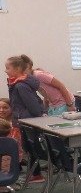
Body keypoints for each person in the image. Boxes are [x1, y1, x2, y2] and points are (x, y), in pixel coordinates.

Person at [5, 55, 44, 183]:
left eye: (8, 68)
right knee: (28, 148)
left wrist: (21, 116)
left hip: (27, 122)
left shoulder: (20, 86)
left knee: (31, 147)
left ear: (17, 69)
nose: (5, 70)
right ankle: (34, 173)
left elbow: (35, 108)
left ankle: (36, 175)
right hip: (23, 121)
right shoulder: (16, 83)